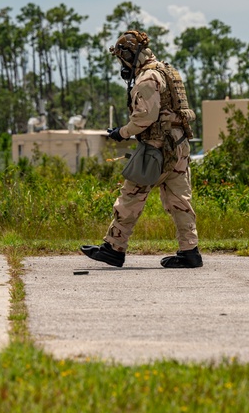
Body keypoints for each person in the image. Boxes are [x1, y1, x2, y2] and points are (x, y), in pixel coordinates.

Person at [81, 30, 203, 269]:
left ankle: (114, 248)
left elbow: (144, 119)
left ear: (130, 54)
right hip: (179, 146)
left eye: (122, 58)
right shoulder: (168, 71)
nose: (122, 64)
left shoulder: (147, 78)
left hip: (156, 149)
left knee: (131, 197)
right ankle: (190, 251)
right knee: (180, 201)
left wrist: (121, 132)